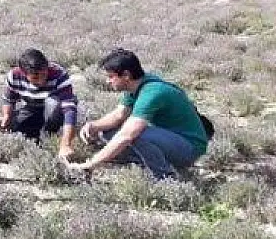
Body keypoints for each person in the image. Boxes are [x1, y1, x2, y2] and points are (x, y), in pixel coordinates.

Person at [67, 48, 209, 179]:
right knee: (108, 132)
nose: (107, 81)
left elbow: (127, 135)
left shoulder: (152, 92)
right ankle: (142, 162)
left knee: (135, 134)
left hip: (190, 147)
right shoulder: (137, 85)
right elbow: (119, 115)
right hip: (172, 139)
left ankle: (165, 177)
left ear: (126, 75)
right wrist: (94, 126)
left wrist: (91, 164)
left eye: (111, 76)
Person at [0, 48, 79, 160]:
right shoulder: (14, 75)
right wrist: (6, 116)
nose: (41, 81)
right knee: (11, 126)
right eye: (35, 77)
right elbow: (9, 99)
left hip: (56, 112)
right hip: (31, 108)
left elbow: (69, 110)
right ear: (23, 73)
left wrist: (66, 144)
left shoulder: (59, 74)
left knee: (53, 103)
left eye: (44, 74)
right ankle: (35, 135)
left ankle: (48, 137)